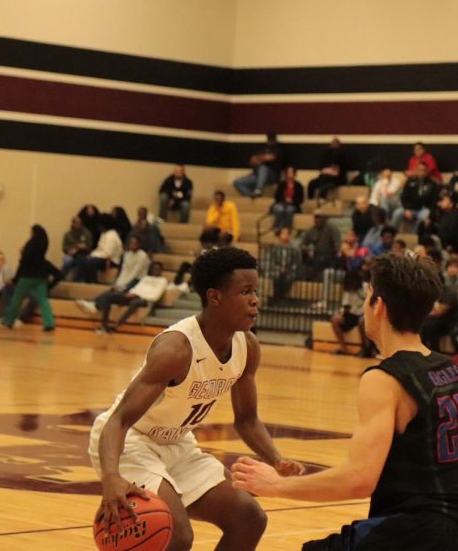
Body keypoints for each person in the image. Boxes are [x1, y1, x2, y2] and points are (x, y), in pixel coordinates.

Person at [231, 253, 458, 550]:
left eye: (367, 296)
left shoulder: (385, 379)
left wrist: (276, 485)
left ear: (378, 306)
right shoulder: (454, 372)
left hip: (420, 534)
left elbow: (359, 479)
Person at [90, 247, 305, 551]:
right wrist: (111, 477)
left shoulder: (248, 347)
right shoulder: (176, 349)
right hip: (132, 442)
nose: (255, 299)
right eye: (245, 292)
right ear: (214, 297)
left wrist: (276, 459)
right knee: (176, 535)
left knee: (249, 517)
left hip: (177, 444)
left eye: (255, 291)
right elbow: (118, 421)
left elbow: (246, 420)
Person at [76, 235, 152, 328]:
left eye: (135, 243)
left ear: (139, 244)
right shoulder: (127, 255)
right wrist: (117, 284)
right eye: (131, 242)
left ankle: (95, 305)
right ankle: (100, 316)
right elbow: (123, 272)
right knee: (109, 294)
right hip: (123, 285)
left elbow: (134, 274)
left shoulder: (142, 256)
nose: (132, 245)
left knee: (108, 296)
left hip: (134, 288)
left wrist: (122, 287)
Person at [0, 225, 55, 332]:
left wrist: (15, 279)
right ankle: (49, 322)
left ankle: (8, 321)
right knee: (43, 300)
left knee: (17, 299)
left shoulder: (30, 246)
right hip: (41, 277)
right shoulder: (43, 247)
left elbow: (23, 263)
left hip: (27, 277)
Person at [93, 262, 168, 333]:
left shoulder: (163, 281)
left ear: (161, 270)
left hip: (145, 300)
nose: (155, 271)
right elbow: (137, 288)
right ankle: (104, 324)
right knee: (109, 296)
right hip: (133, 295)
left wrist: (138, 295)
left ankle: (117, 325)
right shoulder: (146, 278)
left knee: (135, 302)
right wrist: (130, 294)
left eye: (157, 269)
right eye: (154, 269)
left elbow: (155, 296)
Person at [234, 132, 283, 198]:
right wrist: (261, 158)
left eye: (271, 139)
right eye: (269, 139)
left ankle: (259, 190)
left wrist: (259, 158)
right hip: (258, 176)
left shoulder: (277, 149)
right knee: (238, 182)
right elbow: (252, 161)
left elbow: (270, 157)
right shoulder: (263, 149)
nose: (270, 141)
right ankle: (251, 195)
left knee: (263, 167)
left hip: (272, 177)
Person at [392, 162, 438, 233]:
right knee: (397, 213)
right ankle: (392, 233)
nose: (422, 172)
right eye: (420, 170)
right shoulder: (410, 182)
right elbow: (403, 197)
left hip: (423, 209)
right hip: (409, 208)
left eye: (424, 170)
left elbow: (434, 202)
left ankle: (415, 236)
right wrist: (406, 209)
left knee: (425, 216)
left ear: (427, 171)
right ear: (416, 170)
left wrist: (430, 217)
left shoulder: (432, 184)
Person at [330, 269, 367, 355]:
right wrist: (340, 314)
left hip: (363, 314)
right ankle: (343, 348)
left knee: (362, 322)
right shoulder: (347, 290)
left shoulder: (365, 287)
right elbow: (346, 306)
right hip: (352, 314)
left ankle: (365, 347)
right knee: (335, 320)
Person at [79, 216, 124, 284]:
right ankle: (86, 281)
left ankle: (93, 282)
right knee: (84, 259)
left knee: (91, 261)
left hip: (111, 260)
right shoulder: (103, 234)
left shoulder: (112, 235)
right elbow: (99, 249)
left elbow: (107, 253)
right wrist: (92, 254)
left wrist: (93, 255)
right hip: (102, 257)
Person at [271, 166, 305, 230]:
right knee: (279, 209)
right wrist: (284, 200)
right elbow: (277, 197)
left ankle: (288, 228)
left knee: (289, 210)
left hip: (293, 205)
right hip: (281, 203)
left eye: (291, 173)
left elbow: (301, 199)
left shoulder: (299, 186)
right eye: (288, 173)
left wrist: (292, 201)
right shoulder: (281, 184)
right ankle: (276, 227)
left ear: (294, 174)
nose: (290, 174)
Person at [62, 216, 93, 280]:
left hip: (83, 254)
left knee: (83, 260)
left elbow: (90, 246)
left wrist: (83, 247)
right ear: (73, 224)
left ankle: (77, 279)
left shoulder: (87, 233)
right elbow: (64, 247)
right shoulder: (68, 234)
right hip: (71, 254)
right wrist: (70, 251)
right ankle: (61, 277)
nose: (78, 224)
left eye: (79, 223)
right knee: (68, 261)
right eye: (76, 223)